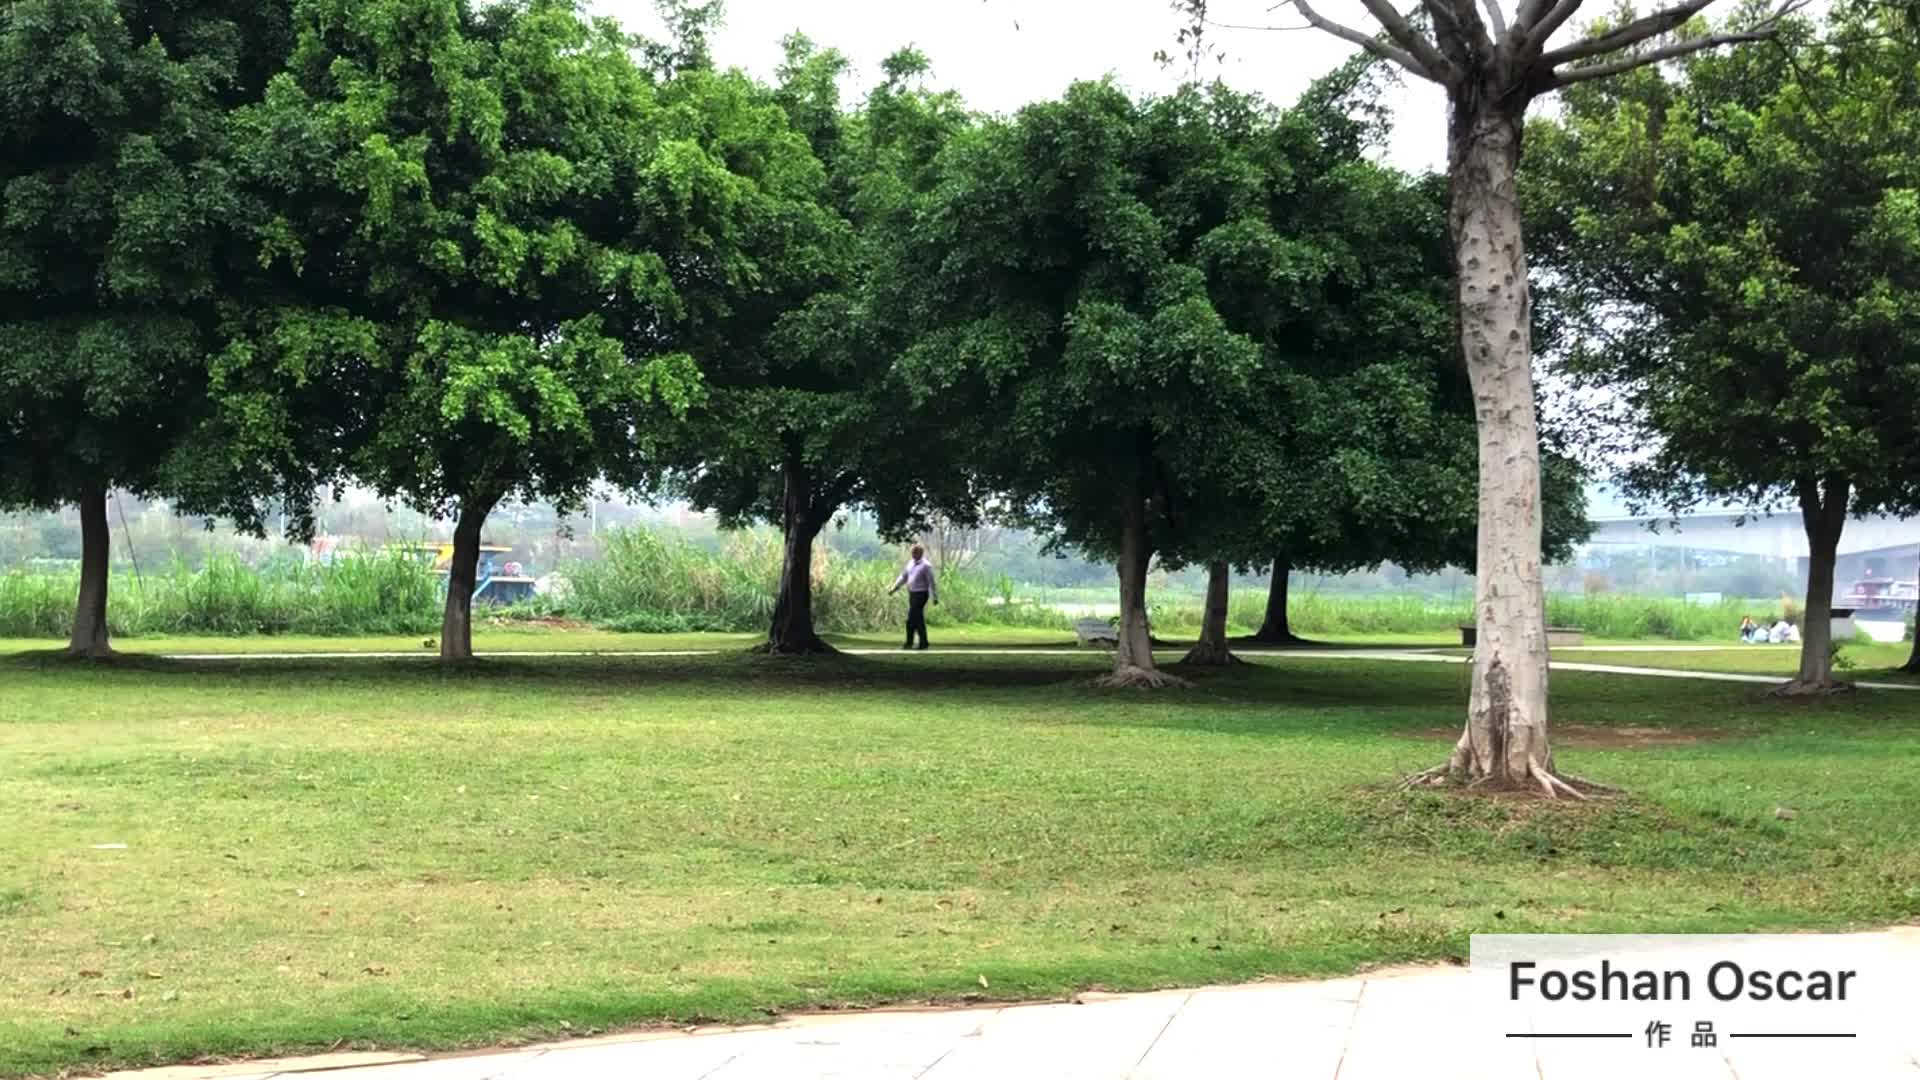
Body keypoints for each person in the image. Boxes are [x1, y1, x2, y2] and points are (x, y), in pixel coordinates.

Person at [888, 544, 938, 650]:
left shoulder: (926, 566)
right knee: (916, 619)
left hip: (921, 594)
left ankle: (913, 643)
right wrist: (894, 588)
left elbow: (931, 582)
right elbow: (904, 577)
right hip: (912, 593)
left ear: (920, 553)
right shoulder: (910, 563)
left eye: (915, 553)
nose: (913, 555)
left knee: (913, 617)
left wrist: (934, 597)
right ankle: (920, 643)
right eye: (912, 553)